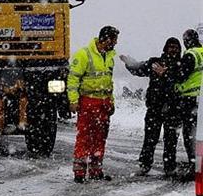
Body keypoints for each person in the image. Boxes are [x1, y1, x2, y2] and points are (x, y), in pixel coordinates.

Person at [119, 37, 182, 177]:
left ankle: (170, 167)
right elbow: (139, 69)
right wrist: (129, 63)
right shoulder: (155, 63)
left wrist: (166, 74)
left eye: (176, 47)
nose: (173, 50)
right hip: (154, 107)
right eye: (170, 47)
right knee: (150, 138)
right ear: (165, 48)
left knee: (171, 140)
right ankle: (145, 165)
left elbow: (181, 78)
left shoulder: (181, 65)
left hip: (173, 109)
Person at [68, 26, 120, 183]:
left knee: (100, 137)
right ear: (107, 39)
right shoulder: (84, 54)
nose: (116, 43)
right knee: (84, 136)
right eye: (114, 40)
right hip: (88, 101)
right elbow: (73, 79)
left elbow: (108, 82)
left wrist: (111, 101)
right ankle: (79, 172)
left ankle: (96, 170)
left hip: (103, 102)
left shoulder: (109, 57)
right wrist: (73, 101)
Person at [156, 29, 203, 179]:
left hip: (190, 99)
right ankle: (196, 164)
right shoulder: (201, 52)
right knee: (197, 134)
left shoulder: (191, 55)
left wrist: (166, 73)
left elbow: (181, 76)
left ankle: (194, 165)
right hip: (200, 98)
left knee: (190, 134)